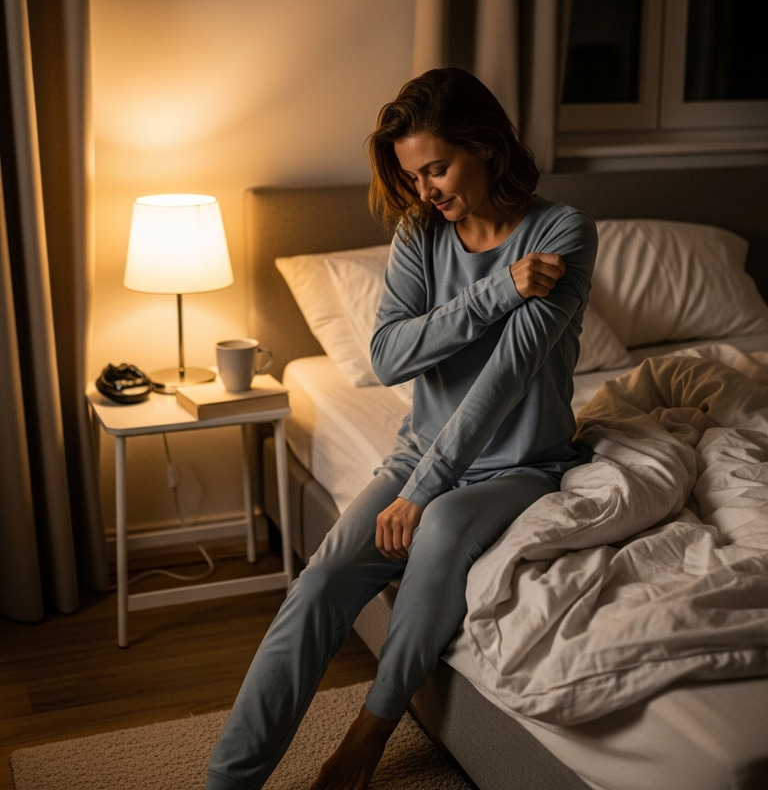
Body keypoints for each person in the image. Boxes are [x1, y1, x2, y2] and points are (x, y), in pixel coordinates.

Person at [205, 67, 597, 790]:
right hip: (418, 455)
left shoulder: (562, 232)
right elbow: (387, 356)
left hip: (517, 465)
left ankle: (370, 731)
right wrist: (496, 289)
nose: (425, 191)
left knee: (442, 528)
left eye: (437, 168)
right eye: (414, 176)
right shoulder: (421, 234)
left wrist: (423, 494)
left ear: (486, 145)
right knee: (319, 582)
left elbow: (504, 378)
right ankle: (227, 781)